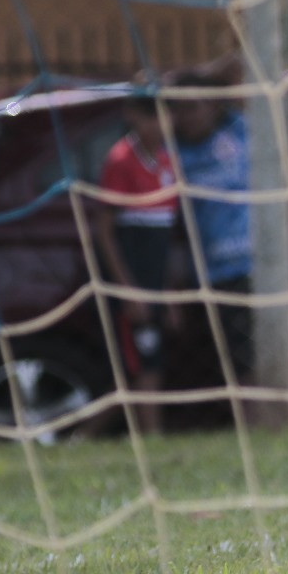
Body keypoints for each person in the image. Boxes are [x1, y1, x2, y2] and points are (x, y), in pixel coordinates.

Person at [94, 94, 178, 434]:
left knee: (149, 362)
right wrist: (127, 290)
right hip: (132, 284)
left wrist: (171, 292)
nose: (160, 126)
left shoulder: (166, 161)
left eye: (164, 117)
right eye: (152, 118)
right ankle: (146, 436)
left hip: (155, 283)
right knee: (141, 364)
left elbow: (167, 237)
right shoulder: (120, 160)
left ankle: (145, 435)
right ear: (133, 117)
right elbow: (103, 231)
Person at [168, 69, 254, 385]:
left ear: (214, 106)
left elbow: (241, 83)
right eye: (177, 108)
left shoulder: (238, 131)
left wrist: (217, 70)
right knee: (236, 365)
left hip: (256, 264)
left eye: (192, 107)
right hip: (213, 276)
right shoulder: (172, 154)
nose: (184, 116)